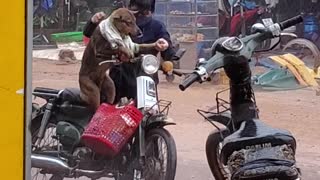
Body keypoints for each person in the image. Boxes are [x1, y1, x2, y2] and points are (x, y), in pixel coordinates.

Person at [83, 0, 177, 103]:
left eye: (144, 12)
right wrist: (93, 22)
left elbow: (167, 48)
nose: (139, 16)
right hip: (119, 77)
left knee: (149, 113)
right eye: (135, 11)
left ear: (150, 11)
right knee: (111, 111)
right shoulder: (117, 22)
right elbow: (89, 33)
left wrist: (169, 56)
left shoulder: (157, 26)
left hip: (146, 79)